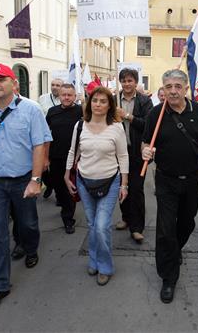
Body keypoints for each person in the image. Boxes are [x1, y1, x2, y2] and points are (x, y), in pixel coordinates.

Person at [0, 63, 52, 309]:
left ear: (13, 83)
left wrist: (36, 180)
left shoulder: (31, 110)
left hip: (22, 179)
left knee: (27, 222)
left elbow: (39, 145)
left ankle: (30, 248)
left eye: (0, 80)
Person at [142, 69, 198, 304]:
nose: (172, 90)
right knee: (165, 230)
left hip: (193, 179)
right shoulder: (156, 113)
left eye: (177, 86)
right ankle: (168, 277)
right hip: (165, 180)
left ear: (185, 88)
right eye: (168, 86)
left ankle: (174, 251)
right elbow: (146, 143)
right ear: (162, 89)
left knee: (187, 222)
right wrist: (145, 151)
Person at [64, 86, 128, 286]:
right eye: (95, 100)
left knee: (101, 227)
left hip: (110, 182)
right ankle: (94, 260)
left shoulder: (116, 128)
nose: (98, 104)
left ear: (110, 106)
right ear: (89, 103)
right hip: (84, 181)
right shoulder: (80, 126)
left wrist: (124, 184)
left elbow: (123, 156)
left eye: (103, 101)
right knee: (92, 226)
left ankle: (105, 266)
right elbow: (73, 152)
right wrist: (67, 175)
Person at [115, 68, 153, 242]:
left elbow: (148, 125)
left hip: (137, 152)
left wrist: (128, 116)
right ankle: (126, 218)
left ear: (136, 82)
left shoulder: (145, 101)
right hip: (118, 153)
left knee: (136, 190)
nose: (127, 83)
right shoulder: (114, 100)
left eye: (130, 80)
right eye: (124, 80)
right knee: (122, 187)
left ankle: (137, 227)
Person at [46, 84, 83, 234]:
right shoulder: (52, 112)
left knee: (70, 189)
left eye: (70, 95)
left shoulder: (81, 111)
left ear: (74, 96)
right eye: (64, 95)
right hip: (55, 156)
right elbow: (45, 133)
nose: (66, 98)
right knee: (58, 187)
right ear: (59, 96)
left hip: (73, 157)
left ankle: (68, 219)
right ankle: (64, 206)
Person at [39, 78, 64, 199]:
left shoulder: (65, 99)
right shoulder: (42, 98)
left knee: (54, 167)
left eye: (58, 85)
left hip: (57, 139)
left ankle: (59, 193)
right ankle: (49, 184)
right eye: (53, 85)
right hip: (43, 137)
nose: (55, 87)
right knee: (42, 166)